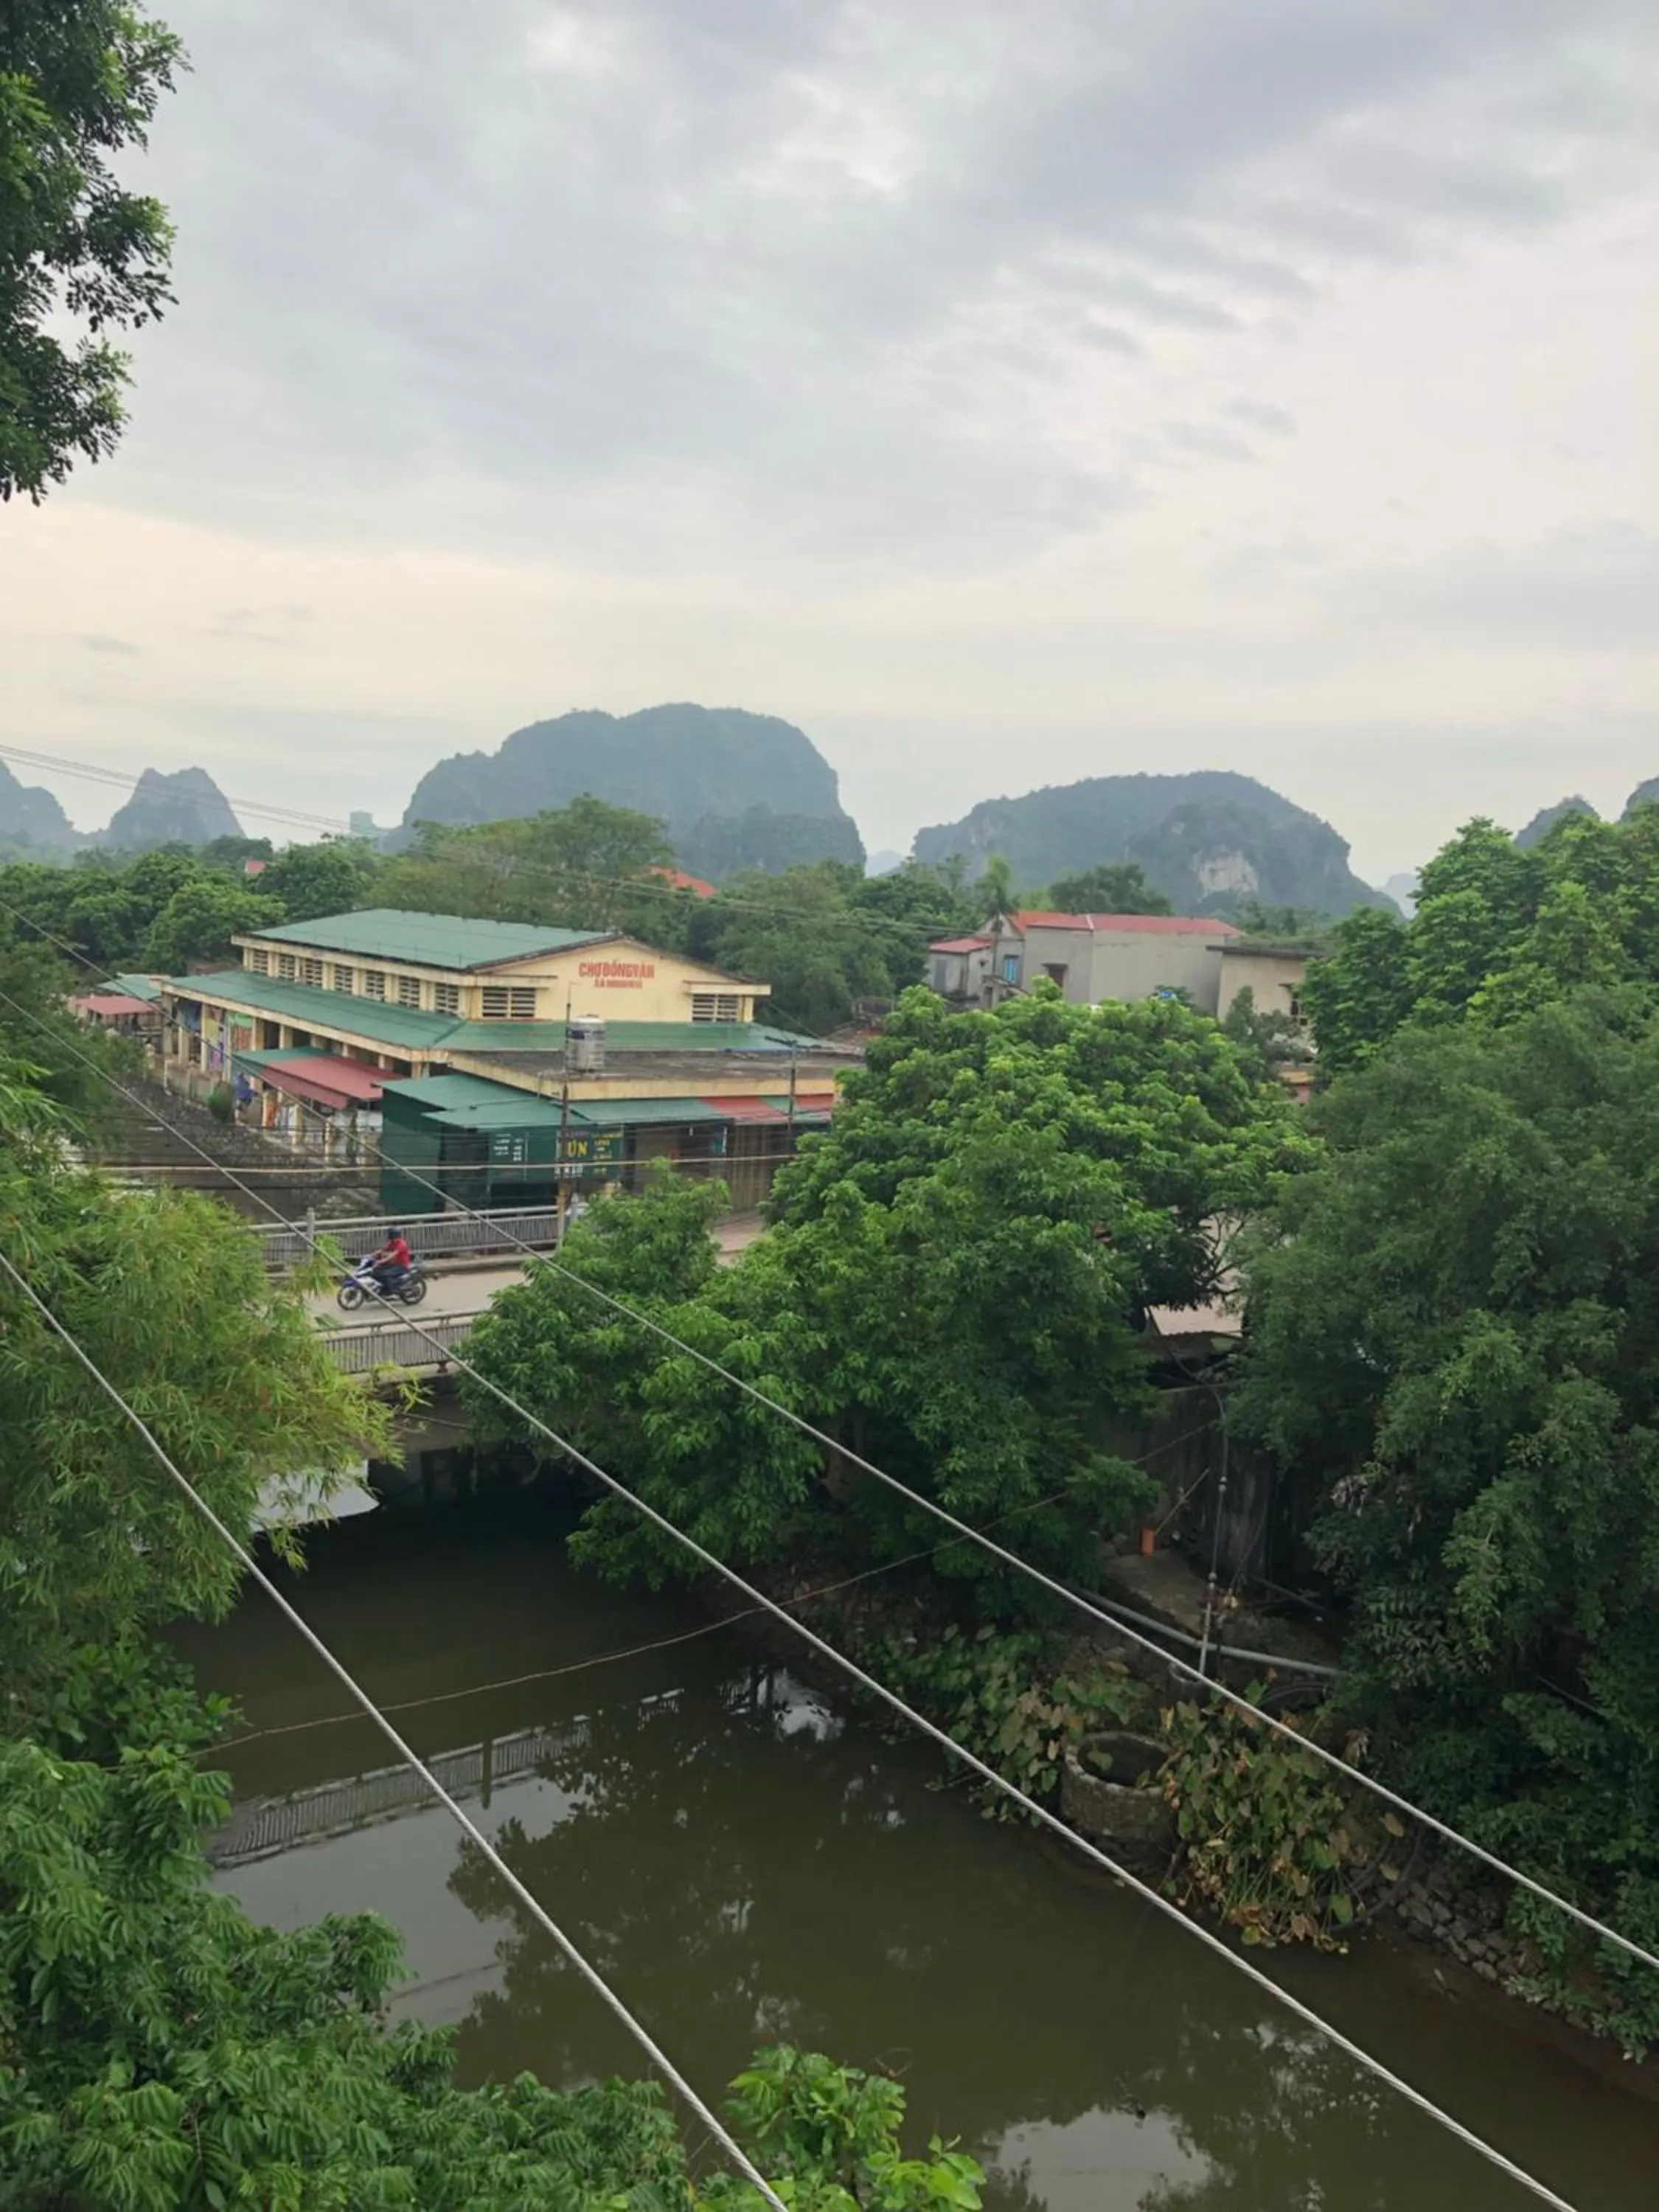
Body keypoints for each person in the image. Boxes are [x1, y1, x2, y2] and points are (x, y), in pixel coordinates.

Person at [368, 1226, 413, 1293]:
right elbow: (382, 1250)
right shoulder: (391, 1242)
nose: (389, 1236)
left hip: (402, 1266)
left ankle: (391, 1291)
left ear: (394, 1235)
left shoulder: (402, 1244)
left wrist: (381, 1261)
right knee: (376, 1270)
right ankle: (382, 1287)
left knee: (385, 1274)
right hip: (394, 1264)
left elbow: (392, 1256)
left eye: (390, 1234)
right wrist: (369, 1256)